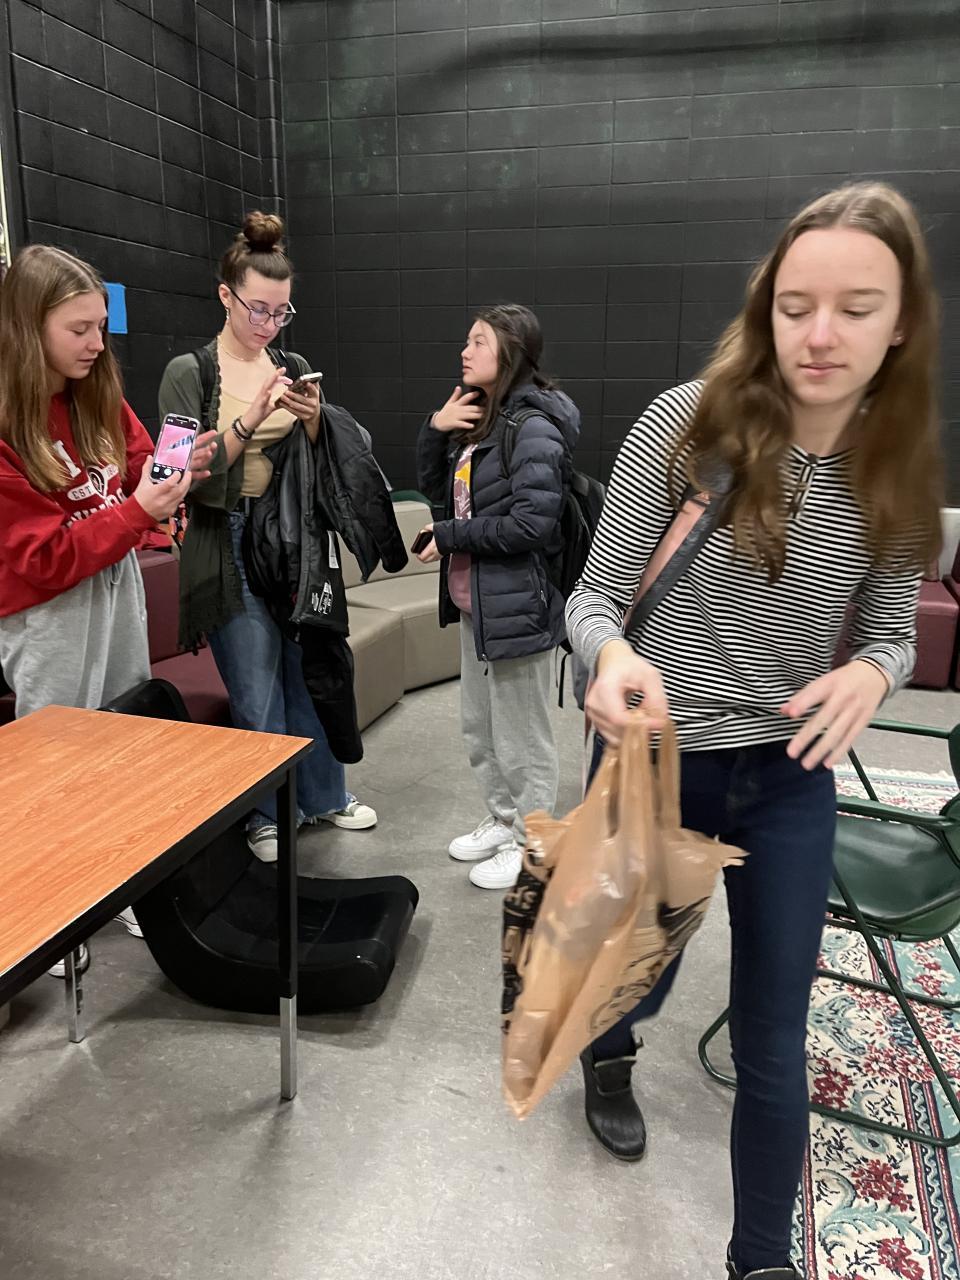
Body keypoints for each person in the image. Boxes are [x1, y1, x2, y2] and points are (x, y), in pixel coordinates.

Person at [565, 183, 944, 1280]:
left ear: (901, 322)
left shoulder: (897, 462)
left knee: (776, 1031)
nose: (820, 335)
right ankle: (608, 1050)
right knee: (634, 972)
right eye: (795, 306)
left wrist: (872, 671)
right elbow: (593, 599)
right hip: (654, 762)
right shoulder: (686, 425)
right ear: (765, 307)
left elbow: (891, 630)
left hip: (787, 777)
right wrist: (612, 658)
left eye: (856, 309)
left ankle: (760, 1259)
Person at [0, 244, 216, 971]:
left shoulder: (93, 391)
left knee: (124, 740)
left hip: (113, 582)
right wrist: (138, 511)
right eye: (79, 329)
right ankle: (53, 912)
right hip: (48, 612)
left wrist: (171, 477)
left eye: (100, 326)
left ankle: (116, 884)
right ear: (28, 326)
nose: (97, 343)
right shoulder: (6, 424)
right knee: (55, 762)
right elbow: (41, 560)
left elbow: (136, 462)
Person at [158, 212, 376, 863]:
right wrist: (249, 419)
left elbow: (331, 456)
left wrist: (313, 422)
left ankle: (324, 795)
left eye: (282, 312)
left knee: (309, 671)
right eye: (259, 309)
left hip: (294, 541)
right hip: (226, 540)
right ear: (225, 296)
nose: (269, 324)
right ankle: (266, 813)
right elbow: (175, 477)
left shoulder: (292, 364)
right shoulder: (189, 373)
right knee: (254, 684)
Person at [416, 304, 580, 889]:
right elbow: (439, 491)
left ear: (510, 352)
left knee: (521, 737)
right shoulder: (481, 419)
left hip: (517, 604)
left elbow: (531, 524)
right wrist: (436, 430)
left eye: (478, 342)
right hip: (477, 602)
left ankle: (533, 842)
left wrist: (451, 536)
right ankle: (504, 819)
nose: (465, 352)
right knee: (480, 728)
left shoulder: (534, 429)